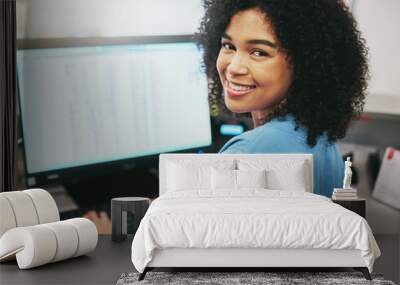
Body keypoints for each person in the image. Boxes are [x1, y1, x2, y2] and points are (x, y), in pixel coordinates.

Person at [195, 0, 369, 197]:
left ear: (305, 64)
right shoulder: (323, 142)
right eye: (229, 46)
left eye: (259, 52)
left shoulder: (246, 155)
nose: (234, 67)